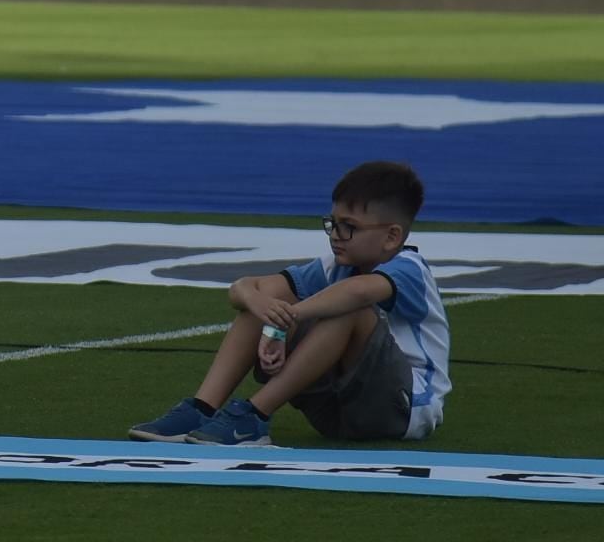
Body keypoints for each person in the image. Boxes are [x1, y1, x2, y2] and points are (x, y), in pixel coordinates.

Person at [131, 161, 450, 447]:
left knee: (344, 309)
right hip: (339, 409)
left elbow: (359, 293)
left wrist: (287, 318)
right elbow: (246, 288)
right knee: (266, 302)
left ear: (392, 237)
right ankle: (202, 409)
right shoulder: (335, 265)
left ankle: (254, 417)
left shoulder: (411, 268)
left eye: (348, 226)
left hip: (403, 408)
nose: (335, 235)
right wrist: (263, 307)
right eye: (332, 223)